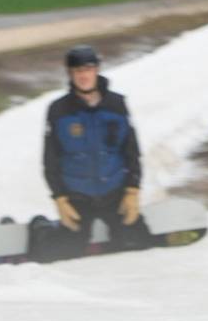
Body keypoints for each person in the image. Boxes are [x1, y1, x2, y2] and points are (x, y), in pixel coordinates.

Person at [41, 45, 149, 251]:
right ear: (70, 74)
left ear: (97, 70)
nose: (84, 76)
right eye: (78, 71)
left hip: (115, 195)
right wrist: (60, 198)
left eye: (88, 70)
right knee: (65, 253)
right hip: (77, 198)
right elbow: (50, 159)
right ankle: (40, 228)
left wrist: (132, 191)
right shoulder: (58, 110)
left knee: (137, 245)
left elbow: (132, 152)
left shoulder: (117, 105)